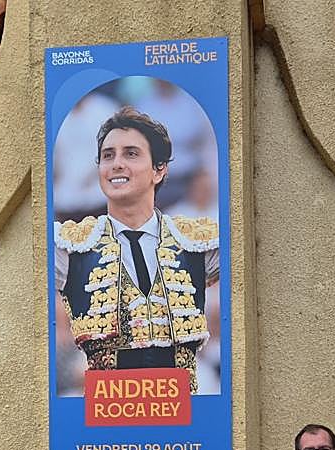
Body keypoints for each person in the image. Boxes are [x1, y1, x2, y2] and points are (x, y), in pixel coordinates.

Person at [54, 105, 219, 394]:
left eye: (131, 153)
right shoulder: (69, 245)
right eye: (108, 156)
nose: (116, 164)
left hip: (184, 416)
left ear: (159, 169)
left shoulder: (198, 241)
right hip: (105, 419)